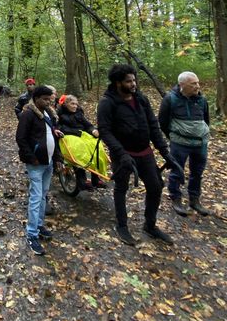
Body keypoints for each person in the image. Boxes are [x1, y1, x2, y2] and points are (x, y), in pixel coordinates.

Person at [97, 64, 178, 246]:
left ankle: (150, 225)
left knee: (155, 187)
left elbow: (153, 126)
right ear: (118, 83)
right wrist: (121, 154)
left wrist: (165, 152)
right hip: (123, 155)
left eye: (134, 80)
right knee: (121, 188)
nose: (133, 84)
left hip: (145, 152)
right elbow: (105, 131)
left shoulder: (141, 99)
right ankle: (122, 225)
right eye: (129, 81)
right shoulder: (107, 103)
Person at [15, 85, 63, 255]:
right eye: (45, 99)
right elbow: (20, 138)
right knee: (36, 197)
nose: (48, 102)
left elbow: (52, 136)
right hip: (36, 163)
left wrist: (57, 158)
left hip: (48, 162)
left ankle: (39, 225)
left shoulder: (48, 114)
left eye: (50, 99)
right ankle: (31, 233)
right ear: (36, 99)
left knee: (43, 195)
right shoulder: (28, 114)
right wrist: (32, 158)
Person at [159, 71, 210, 216]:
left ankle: (194, 200)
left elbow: (206, 120)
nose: (197, 86)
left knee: (197, 173)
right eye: (193, 84)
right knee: (177, 171)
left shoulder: (202, 100)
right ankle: (176, 198)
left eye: (197, 83)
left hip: (200, 144)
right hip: (179, 144)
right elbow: (163, 122)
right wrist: (173, 137)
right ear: (182, 85)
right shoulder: (170, 99)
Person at [57, 94, 106, 189]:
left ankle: (95, 178)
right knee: (79, 150)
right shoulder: (60, 114)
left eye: (76, 104)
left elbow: (87, 125)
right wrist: (76, 132)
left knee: (96, 146)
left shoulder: (79, 113)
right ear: (66, 104)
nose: (75, 106)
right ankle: (81, 180)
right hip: (68, 136)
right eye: (72, 104)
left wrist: (93, 130)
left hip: (81, 134)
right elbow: (59, 127)